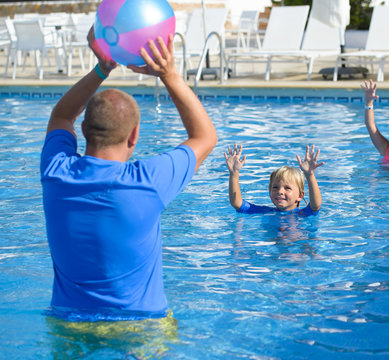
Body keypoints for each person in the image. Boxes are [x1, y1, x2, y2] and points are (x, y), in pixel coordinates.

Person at [40, 27, 217, 321]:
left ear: (83, 130)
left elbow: (61, 116)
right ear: (134, 136)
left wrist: (102, 69)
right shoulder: (148, 182)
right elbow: (205, 137)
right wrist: (169, 74)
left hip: (69, 324)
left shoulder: (55, 173)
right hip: (141, 327)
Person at [224, 144, 323, 216]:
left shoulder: (303, 214)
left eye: (287, 188)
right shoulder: (265, 212)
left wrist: (309, 175)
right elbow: (237, 204)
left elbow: (316, 205)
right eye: (275, 187)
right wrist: (234, 174)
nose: (280, 191)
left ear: (300, 196)